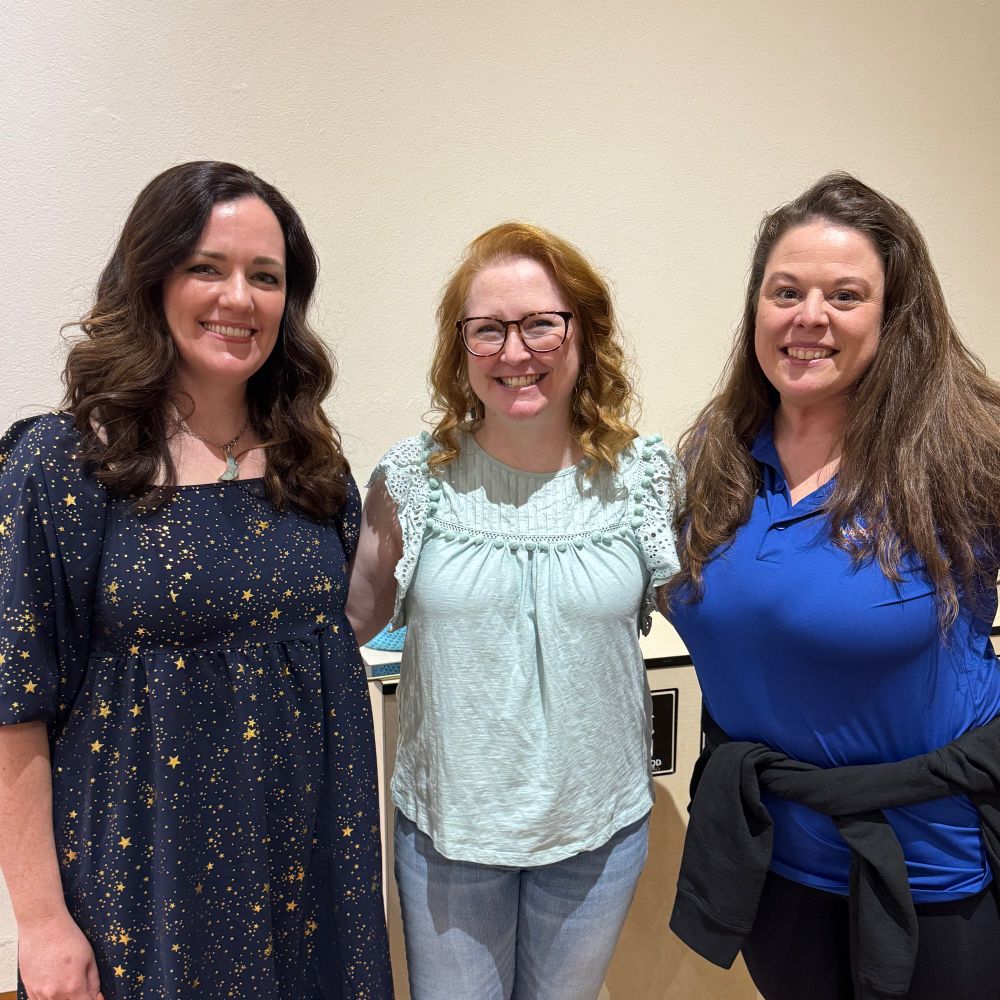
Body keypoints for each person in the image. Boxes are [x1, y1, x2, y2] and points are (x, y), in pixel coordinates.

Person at [0, 161, 393, 1000]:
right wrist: (40, 923)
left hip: (313, 877)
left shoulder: (314, 462)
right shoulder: (63, 466)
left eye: (266, 277)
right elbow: (14, 705)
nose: (239, 299)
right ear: (151, 280)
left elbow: (335, 640)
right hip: (145, 885)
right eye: (206, 268)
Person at [664, 173, 1000, 1000]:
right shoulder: (716, 452)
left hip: (930, 872)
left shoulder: (965, 451)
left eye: (845, 295)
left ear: (893, 315)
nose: (808, 317)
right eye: (787, 291)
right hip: (775, 864)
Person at [346, 222, 682, 1000]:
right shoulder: (412, 480)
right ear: (460, 347)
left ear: (582, 333)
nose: (514, 350)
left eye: (540, 323)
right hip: (449, 836)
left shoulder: (643, 477)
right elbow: (346, 621)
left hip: (596, 834)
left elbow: (716, 620)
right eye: (488, 329)